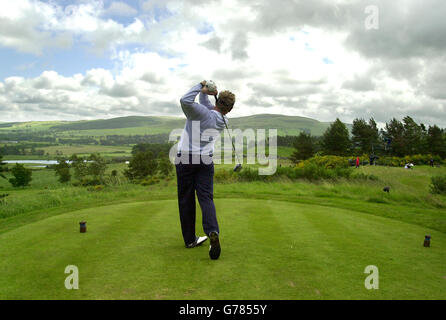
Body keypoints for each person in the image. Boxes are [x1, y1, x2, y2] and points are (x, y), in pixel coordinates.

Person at [176, 80, 236, 260]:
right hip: (205, 160)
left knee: (186, 198)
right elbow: (206, 105)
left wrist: (200, 86)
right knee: (206, 197)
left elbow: (184, 100)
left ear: (217, 102)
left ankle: (190, 240)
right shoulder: (223, 119)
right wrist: (207, 93)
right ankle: (212, 231)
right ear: (229, 109)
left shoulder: (201, 113)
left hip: (186, 157)